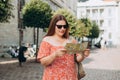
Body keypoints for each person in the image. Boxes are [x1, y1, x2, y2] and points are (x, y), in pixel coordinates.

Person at [37, 14, 90, 80]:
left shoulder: (71, 40)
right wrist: (55, 54)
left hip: (70, 77)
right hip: (52, 77)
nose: (62, 29)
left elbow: (77, 59)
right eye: (59, 26)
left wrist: (82, 54)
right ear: (53, 26)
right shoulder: (47, 40)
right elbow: (43, 62)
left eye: (65, 26)